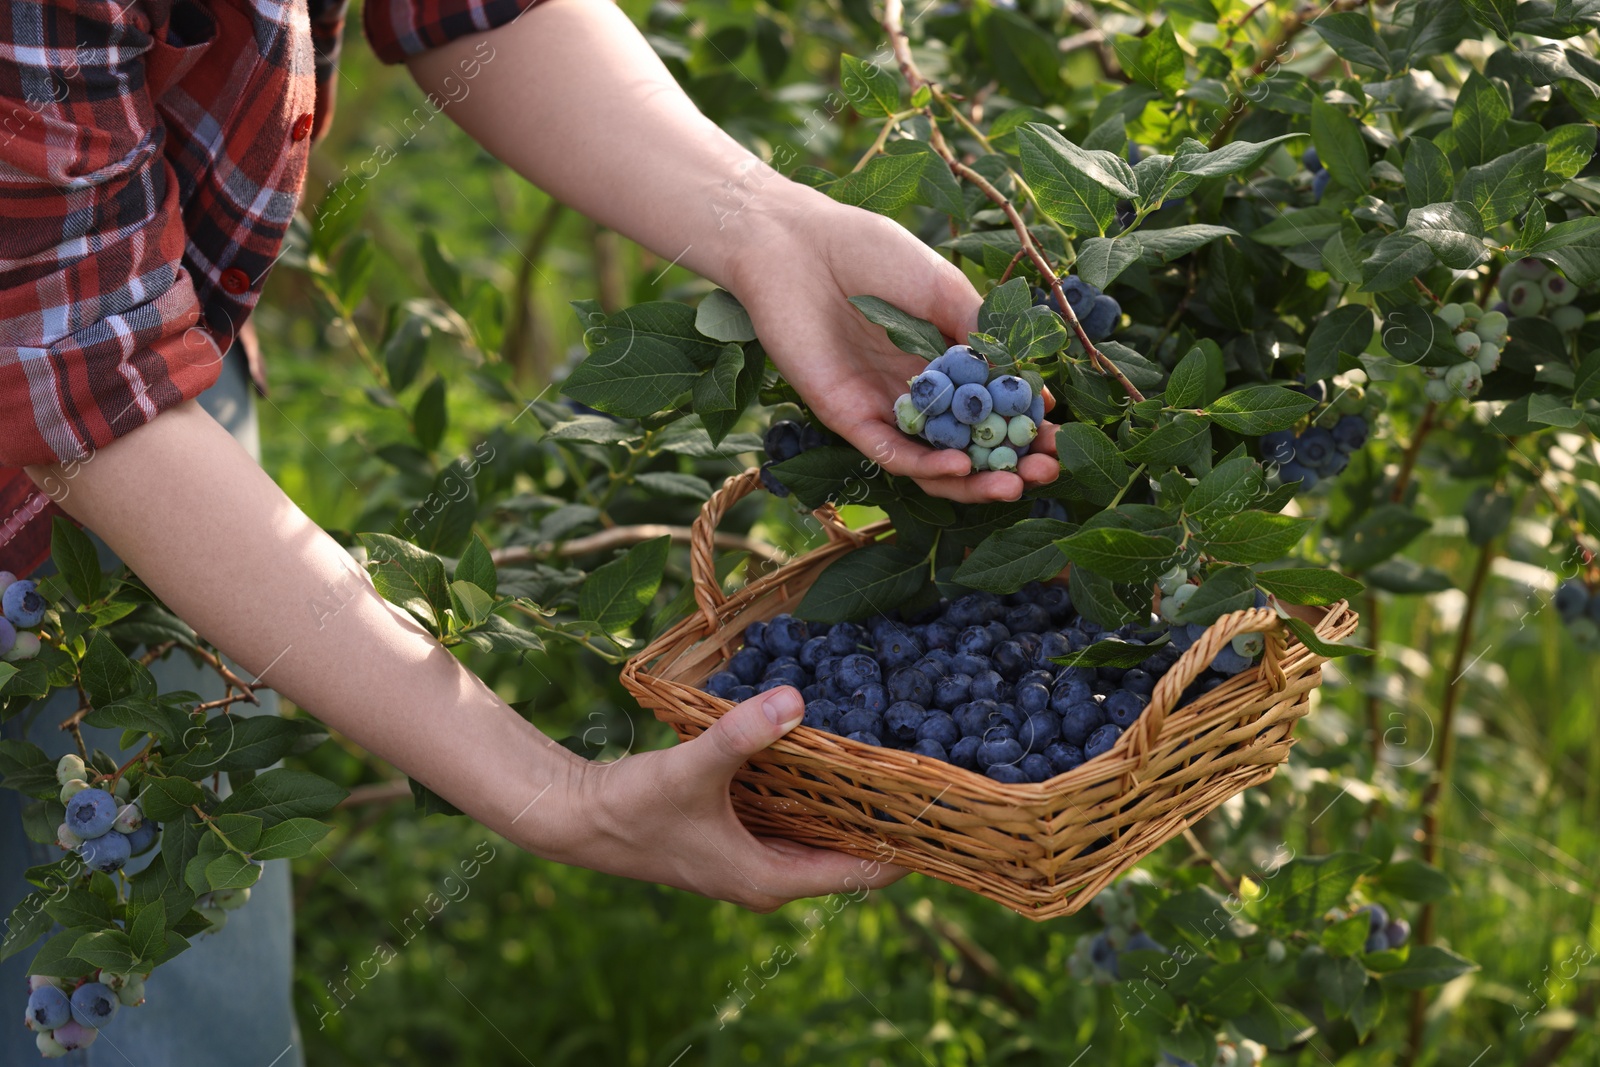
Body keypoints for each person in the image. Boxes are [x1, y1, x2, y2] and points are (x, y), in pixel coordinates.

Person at [1, 0, 1059, 1059]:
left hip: (119, 343)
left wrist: (764, 221)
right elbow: (87, 381)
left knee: (170, 1020)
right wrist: (559, 796)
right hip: (96, 375)